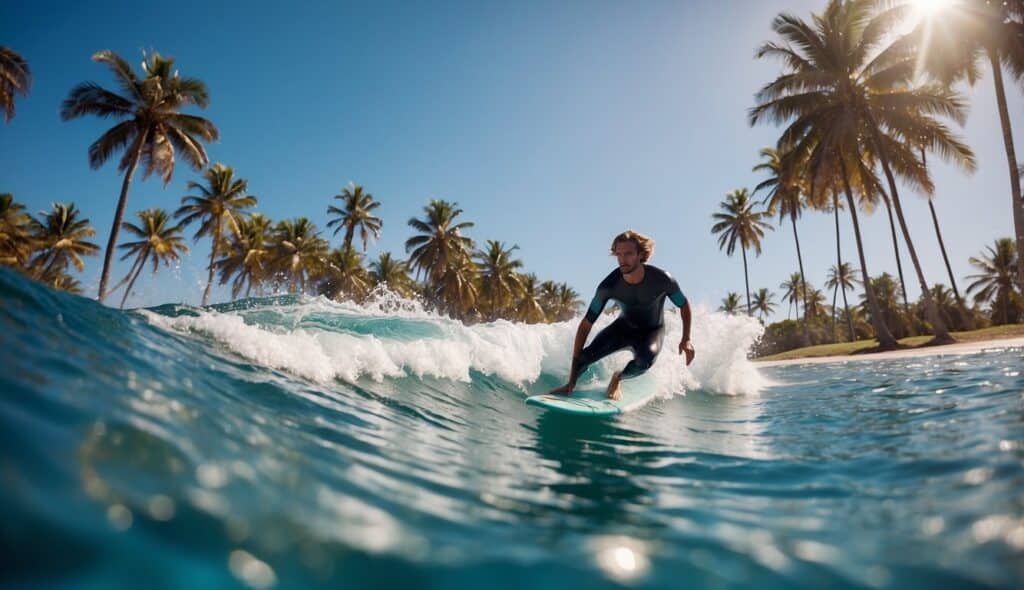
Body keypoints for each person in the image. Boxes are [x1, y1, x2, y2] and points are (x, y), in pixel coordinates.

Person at [548, 230, 694, 400]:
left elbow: (683, 305)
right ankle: (570, 386)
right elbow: (586, 323)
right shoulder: (608, 286)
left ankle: (618, 377)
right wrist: (572, 378)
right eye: (619, 254)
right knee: (584, 357)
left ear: (640, 255)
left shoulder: (662, 279)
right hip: (622, 329)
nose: (623, 259)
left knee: (644, 362)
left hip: (651, 332)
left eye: (629, 254)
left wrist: (686, 339)